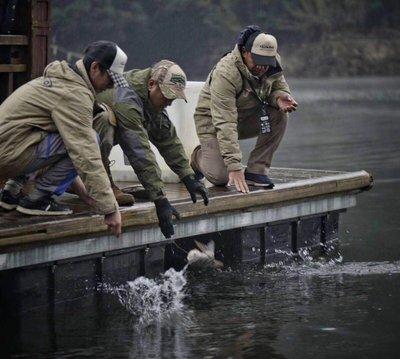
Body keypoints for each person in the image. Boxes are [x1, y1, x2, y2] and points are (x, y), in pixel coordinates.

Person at [0, 41, 127, 237]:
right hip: (9, 154)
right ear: (95, 68)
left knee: (55, 134)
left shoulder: (61, 80)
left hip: (11, 148)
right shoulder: (75, 94)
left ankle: (11, 192)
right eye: (110, 80)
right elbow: (85, 154)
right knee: (90, 138)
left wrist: (87, 195)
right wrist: (109, 208)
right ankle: (37, 199)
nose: (110, 87)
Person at [94, 60, 208, 238]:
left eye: (173, 99)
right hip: (71, 149)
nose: (169, 103)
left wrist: (188, 177)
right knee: (106, 120)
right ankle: (100, 185)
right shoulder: (127, 97)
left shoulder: (151, 98)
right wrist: (160, 200)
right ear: (151, 84)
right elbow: (139, 150)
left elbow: (167, 139)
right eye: (166, 96)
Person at [191, 25, 298, 193]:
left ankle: (256, 171)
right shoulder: (226, 73)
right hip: (213, 123)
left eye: (267, 62)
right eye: (257, 60)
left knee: (280, 114)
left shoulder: (272, 63)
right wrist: (234, 166)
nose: (262, 67)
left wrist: (279, 97)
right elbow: (225, 121)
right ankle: (198, 156)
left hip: (245, 117)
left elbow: (278, 87)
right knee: (221, 178)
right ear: (244, 51)